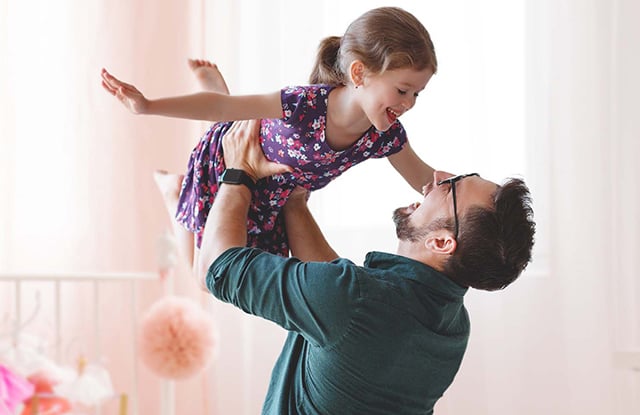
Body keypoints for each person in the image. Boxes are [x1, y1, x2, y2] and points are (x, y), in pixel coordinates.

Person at [196, 119, 536, 415]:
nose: (438, 177)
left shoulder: (354, 301)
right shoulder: (450, 325)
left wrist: (238, 172)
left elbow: (217, 268)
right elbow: (340, 305)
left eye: (450, 188)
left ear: (442, 242)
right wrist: (294, 201)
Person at [100, 6, 438, 268]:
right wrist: (146, 105)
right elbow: (219, 107)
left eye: (418, 95)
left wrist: (486, 197)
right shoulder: (304, 104)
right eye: (403, 90)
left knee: (242, 278)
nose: (408, 104)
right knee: (204, 278)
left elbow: (426, 179)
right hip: (229, 165)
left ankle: (230, 117)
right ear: (359, 73)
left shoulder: (385, 136)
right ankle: (176, 192)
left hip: (272, 198)